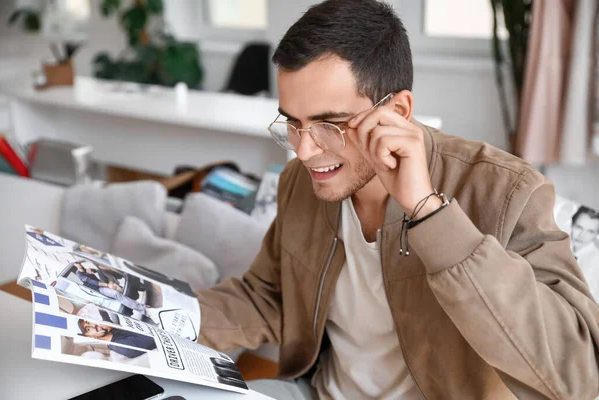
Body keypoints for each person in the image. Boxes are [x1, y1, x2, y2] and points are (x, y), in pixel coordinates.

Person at [195, 1, 599, 399]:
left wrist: (428, 211)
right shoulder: (299, 183)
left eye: (329, 125)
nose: (304, 152)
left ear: (397, 110)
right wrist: (159, 317)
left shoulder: (507, 191)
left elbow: (579, 375)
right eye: (293, 124)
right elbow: (268, 296)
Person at [73, 262, 157, 324]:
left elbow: (97, 273)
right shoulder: (79, 274)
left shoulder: (85, 269)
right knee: (115, 294)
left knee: (119, 289)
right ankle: (144, 310)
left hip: (102, 285)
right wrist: (107, 285)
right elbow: (93, 282)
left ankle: (136, 299)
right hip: (97, 290)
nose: (79, 264)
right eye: (77, 263)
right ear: (75, 265)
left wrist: (92, 271)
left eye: (79, 263)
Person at [77, 320, 156, 358]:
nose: (93, 326)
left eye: (89, 322)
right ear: (90, 337)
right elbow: (153, 335)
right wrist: (116, 326)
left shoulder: (112, 331)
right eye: (88, 329)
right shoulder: (122, 346)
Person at [571, 206, 599, 301]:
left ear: (596, 235)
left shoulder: (596, 262)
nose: (581, 235)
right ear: (572, 225)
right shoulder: (558, 247)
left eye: (590, 232)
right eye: (579, 227)